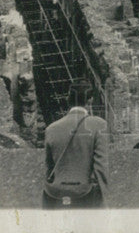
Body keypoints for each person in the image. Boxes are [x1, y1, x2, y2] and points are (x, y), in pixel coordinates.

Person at [42, 81, 110, 209]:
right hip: (85, 195)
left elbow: (48, 168)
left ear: (69, 100)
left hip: (56, 195)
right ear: (89, 101)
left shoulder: (51, 128)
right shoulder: (99, 125)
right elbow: (101, 168)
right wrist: (105, 202)